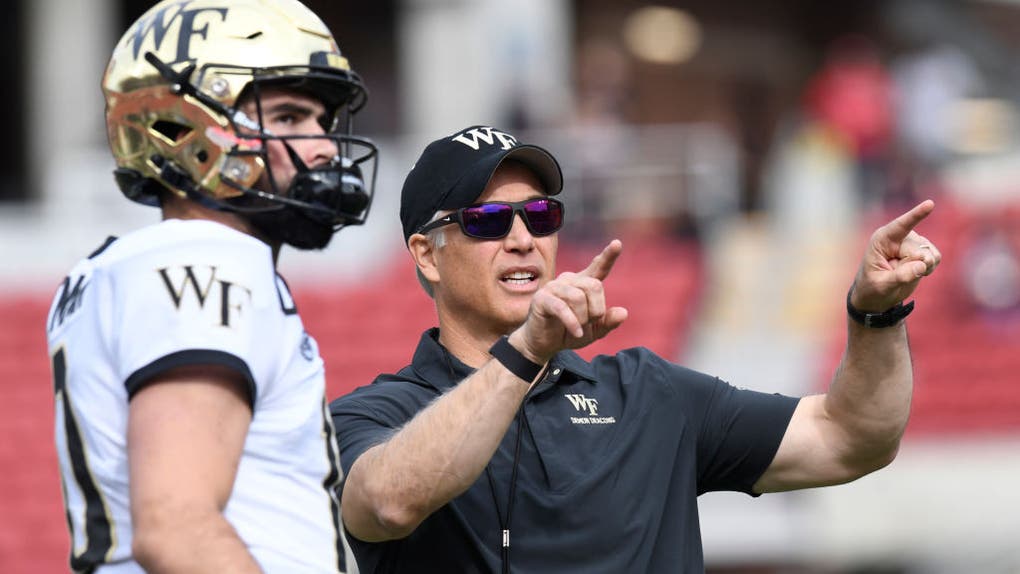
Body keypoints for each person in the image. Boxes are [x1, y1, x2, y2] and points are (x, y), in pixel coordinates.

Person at [329, 125, 942, 573]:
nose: (522, 239)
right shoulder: (372, 415)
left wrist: (876, 313)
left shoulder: (650, 393)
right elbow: (385, 502)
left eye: (540, 215)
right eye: (488, 220)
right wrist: (525, 352)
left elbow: (853, 437)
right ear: (427, 254)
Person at [45, 0, 377, 572]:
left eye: (323, 121)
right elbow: (177, 527)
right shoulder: (210, 259)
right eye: (292, 116)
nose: (323, 144)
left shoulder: (121, 266)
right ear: (182, 125)